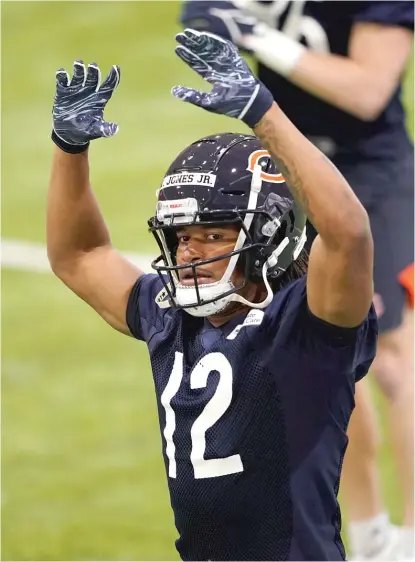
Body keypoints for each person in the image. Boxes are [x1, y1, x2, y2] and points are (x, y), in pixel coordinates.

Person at [47, 31, 377, 561]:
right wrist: (70, 149)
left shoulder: (306, 329)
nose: (189, 253)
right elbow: (79, 257)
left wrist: (261, 111)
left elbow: (349, 234)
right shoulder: (169, 313)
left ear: (270, 236)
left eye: (214, 235)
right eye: (181, 237)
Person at [179, 1, 415, 559]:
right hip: (290, 175)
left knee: (392, 361)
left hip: (370, 178)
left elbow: (367, 93)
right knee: (323, 363)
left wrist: (260, 37)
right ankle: (369, 537)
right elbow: (202, 20)